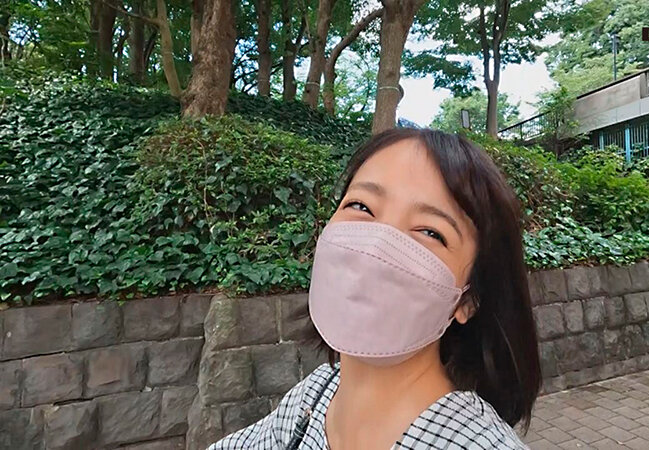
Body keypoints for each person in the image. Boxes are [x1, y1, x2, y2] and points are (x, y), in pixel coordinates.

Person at [209, 128, 542, 450]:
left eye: (430, 232)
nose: (376, 247)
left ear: (468, 300)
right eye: (361, 206)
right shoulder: (315, 394)